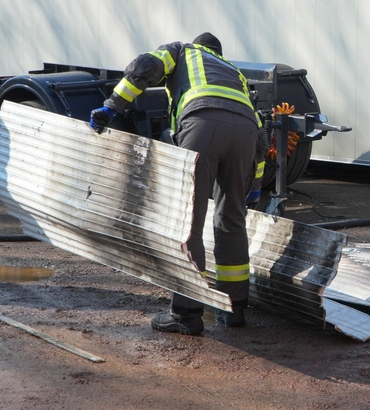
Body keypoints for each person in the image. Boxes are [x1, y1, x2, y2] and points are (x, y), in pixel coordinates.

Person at [89, 32, 266, 335]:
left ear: (200, 45)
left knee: (189, 220)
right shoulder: (234, 73)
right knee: (232, 219)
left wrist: (113, 105)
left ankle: (186, 314)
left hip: (203, 122)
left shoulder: (184, 51)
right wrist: (255, 185)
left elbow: (146, 65)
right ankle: (233, 308)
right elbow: (261, 139)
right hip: (246, 132)